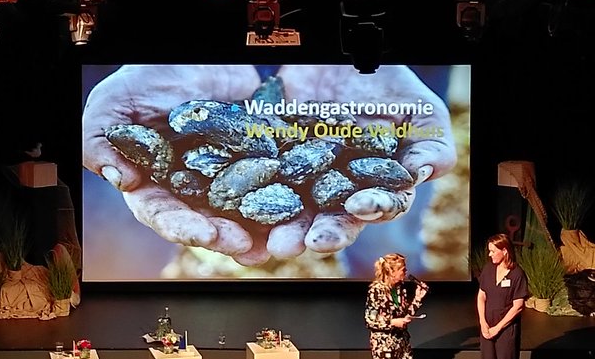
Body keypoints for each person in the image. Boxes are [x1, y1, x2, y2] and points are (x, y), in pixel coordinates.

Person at [83, 63, 455, 268]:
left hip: (366, 58)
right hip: (156, 61)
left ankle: (387, 304)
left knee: (383, 230)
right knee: (120, 236)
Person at [477, 233, 529, 359]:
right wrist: (483, 323)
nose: (490, 254)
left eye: (493, 251)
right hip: (487, 327)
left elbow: (518, 306)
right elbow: (481, 296)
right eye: (489, 251)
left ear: (504, 251)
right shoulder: (488, 270)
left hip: (506, 329)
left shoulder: (517, 274)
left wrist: (498, 328)